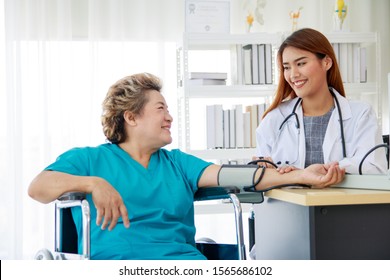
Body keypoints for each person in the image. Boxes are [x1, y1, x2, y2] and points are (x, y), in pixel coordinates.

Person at [28, 73, 345, 260]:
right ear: (132, 117)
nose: (170, 117)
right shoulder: (89, 160)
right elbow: (38, 188)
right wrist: (92, 184)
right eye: (160, 109)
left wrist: (303, 175)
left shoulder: (177, 163)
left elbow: (227, 175)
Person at [255, 28, 387, 175]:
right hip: (286, 199)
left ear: (326, 62)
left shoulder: (360, 114)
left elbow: (374, 167)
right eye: (286, 67)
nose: (293, 74)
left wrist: (320, 172)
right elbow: (261, 178)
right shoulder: (275, 118)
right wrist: (268, 172)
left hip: (341, 199)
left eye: (301, 63)